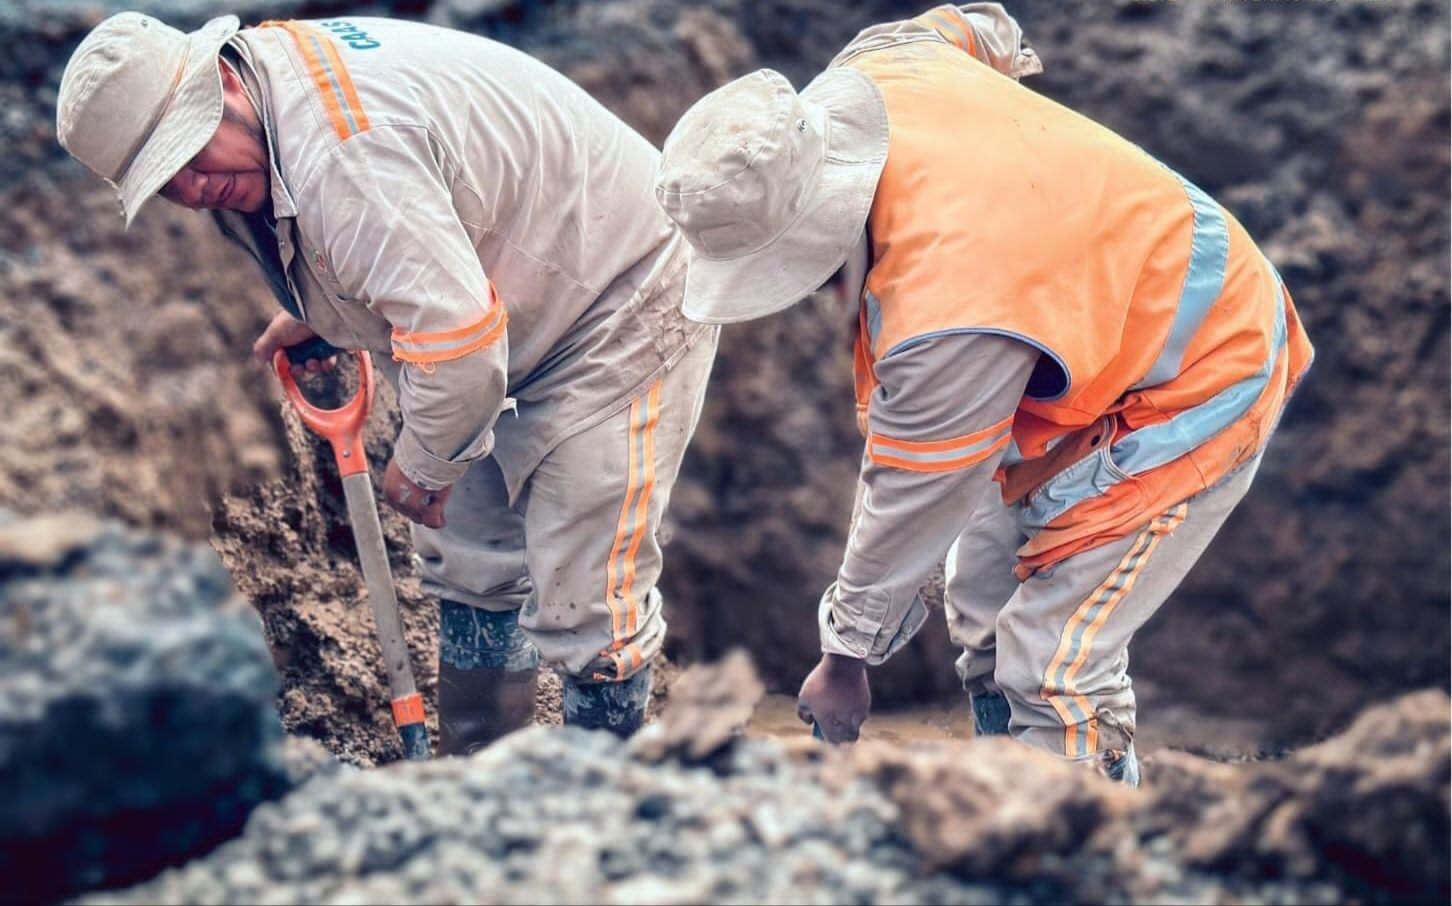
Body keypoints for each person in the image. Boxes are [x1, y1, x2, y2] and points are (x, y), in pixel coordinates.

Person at [653, 3, 1312, 783]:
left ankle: (1072, 843)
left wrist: (846, 658)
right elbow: (982, 26)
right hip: (1102, 330)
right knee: (984, 607)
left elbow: (915, 490)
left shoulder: (946, 310)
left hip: (1200, 364)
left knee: (1054, 660)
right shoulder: (883, 65)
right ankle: (1004, 784)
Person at [56, 12, 718, 751]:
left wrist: (424, 467)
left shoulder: (343, 154)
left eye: (190, 153)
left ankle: (606, 808)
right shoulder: (268, 104)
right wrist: (327, 311)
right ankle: (480, 789)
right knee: (471, 566)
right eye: (165, 181)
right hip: (506, 293)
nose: (193, 186)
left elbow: (457, 349)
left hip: (618, 296)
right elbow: (386, 245)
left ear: (223, 82)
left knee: (588, 593)